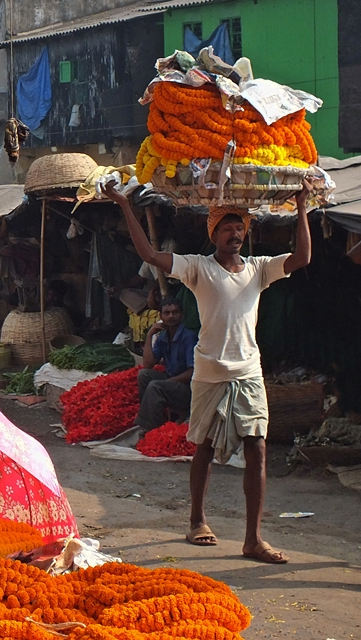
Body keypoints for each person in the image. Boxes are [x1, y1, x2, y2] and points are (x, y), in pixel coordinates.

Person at [104, 179, 313, 565]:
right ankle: (197, 519)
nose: (235, 233)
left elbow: (301, 258)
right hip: (209, 373)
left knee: (258, 448)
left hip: (248, 372)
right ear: (213, 234)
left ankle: (253, 539)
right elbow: (149, 253)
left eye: (239, 228)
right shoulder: (198, 268)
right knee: (202, 447)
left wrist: (301, 207)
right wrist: (122, 204)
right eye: (227, 228)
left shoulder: (258, 270)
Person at [135, 297, 198, 433]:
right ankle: (153, 420)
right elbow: (147, 364)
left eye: (175, 312)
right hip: (171, 383)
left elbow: (193, 372)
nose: (171, 316)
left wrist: (168, 382)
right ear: (161, 316)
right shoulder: (163, 336)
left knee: (155, 385)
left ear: (182, 315)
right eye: (167, 313)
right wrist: (150, 335)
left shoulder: (188, 337)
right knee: (143, 375)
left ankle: (151, 429)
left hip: (187, 389)